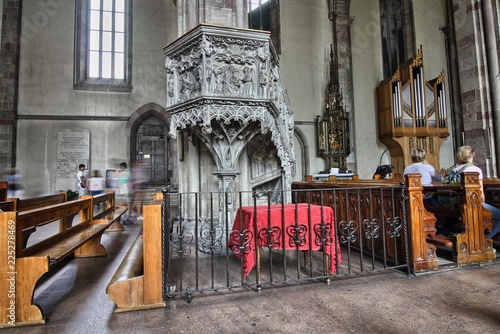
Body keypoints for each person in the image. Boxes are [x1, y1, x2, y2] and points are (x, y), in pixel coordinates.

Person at [437, 146, 500, 238]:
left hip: (451, 204)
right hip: (470, 204)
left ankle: (442, 234)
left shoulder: (451, 169)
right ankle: (485, 240)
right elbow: (480, 192)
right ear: (472, 155)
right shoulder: (474, 170)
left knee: (452, 217)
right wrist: (483, 207)